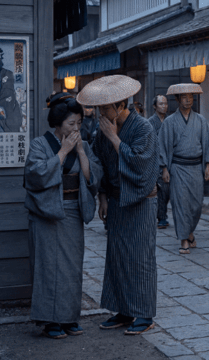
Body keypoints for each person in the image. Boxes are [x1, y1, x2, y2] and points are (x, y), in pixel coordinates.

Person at [77, 74, 160, 336]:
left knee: (140, 258)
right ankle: (123, 310)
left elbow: (141, 165)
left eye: (106, 109)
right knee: (117, 257)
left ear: (122, 105)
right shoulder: (103, 130)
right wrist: (102, 197)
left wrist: (115, 138)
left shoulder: (143, 128)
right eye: (100, 109)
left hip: (140, 202)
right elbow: (100, 163)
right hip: (115, 200)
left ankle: (144, 314)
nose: (101, 113)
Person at [24, 92, 102, 339]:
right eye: (71, 124)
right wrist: (62, 152)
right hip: (46, 213)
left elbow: (93, 179)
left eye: (79, 123)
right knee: (48, 267)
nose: (76, 128)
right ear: (57, 124)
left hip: (71, 211)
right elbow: (34, 175)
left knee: (71, 267)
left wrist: (79, 152)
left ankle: (69, 318)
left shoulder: (85, 145)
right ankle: (50, 321)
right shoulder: (39, 144)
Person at [159, 84, 209, 254]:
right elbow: (163, 146)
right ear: (177, 100)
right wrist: (164, 168)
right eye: (184, 97)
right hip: (178, 168)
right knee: (180, 205)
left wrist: (208, 166)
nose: (188, 100)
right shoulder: (170, 122)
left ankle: (190, 232)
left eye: (191, 97)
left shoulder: (200, 120)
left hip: (195, 168)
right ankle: (183, 240)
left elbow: (208, 143)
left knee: (195, 206)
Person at [148, 95, 170, 229]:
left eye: (166, 104)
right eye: (161, 104)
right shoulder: (150, 122)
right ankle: (161, 217)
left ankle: (161, 215)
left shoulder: (170, 121)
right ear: (155, 106)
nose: (164, 106)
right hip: (155, 160)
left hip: (170, 159)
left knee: (166, 190)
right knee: (160, 189)